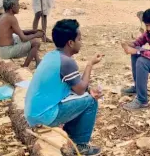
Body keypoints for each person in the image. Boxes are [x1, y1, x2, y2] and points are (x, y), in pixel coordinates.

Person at [25, 19, 103, 155]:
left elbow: (75, 86)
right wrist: (90, 64)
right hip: (43, 116)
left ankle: (68, 135)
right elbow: (79, 90)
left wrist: (88, 89)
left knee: (87, 95)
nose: (81, 42)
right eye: (79, 39)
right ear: (70, 43)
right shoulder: (67, 62)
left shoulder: (52, 55)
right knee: (90, 101)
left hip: (33, 112)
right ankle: (80, 145)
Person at [0, 0, 43, 68]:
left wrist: (33, 31)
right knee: (36, 42)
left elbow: (18, 32)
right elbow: (23, 38)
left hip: (0, 49)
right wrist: (36, 35)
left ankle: (38, 61)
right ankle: (25, 66)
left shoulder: (3, 16)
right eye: (17, 5)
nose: (19, 7)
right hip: (6, 51)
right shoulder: (11, 18)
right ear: (12, 6)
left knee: (28, 38)